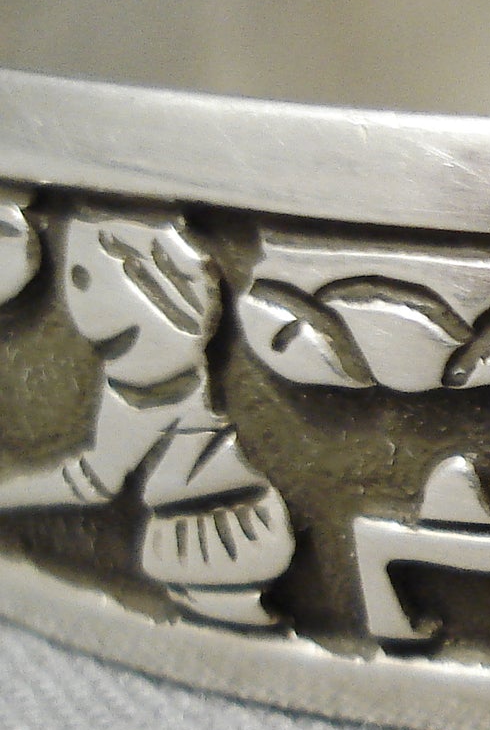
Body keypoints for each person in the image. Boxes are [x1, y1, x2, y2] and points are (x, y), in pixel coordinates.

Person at [0, 209, 293, 627]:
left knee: (218, 613)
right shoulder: (169, 364)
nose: (70, 296)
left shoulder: (144, 383)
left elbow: (92, 482)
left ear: (144, 284)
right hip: (226, 519)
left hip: (211, 533)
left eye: (79, 278)